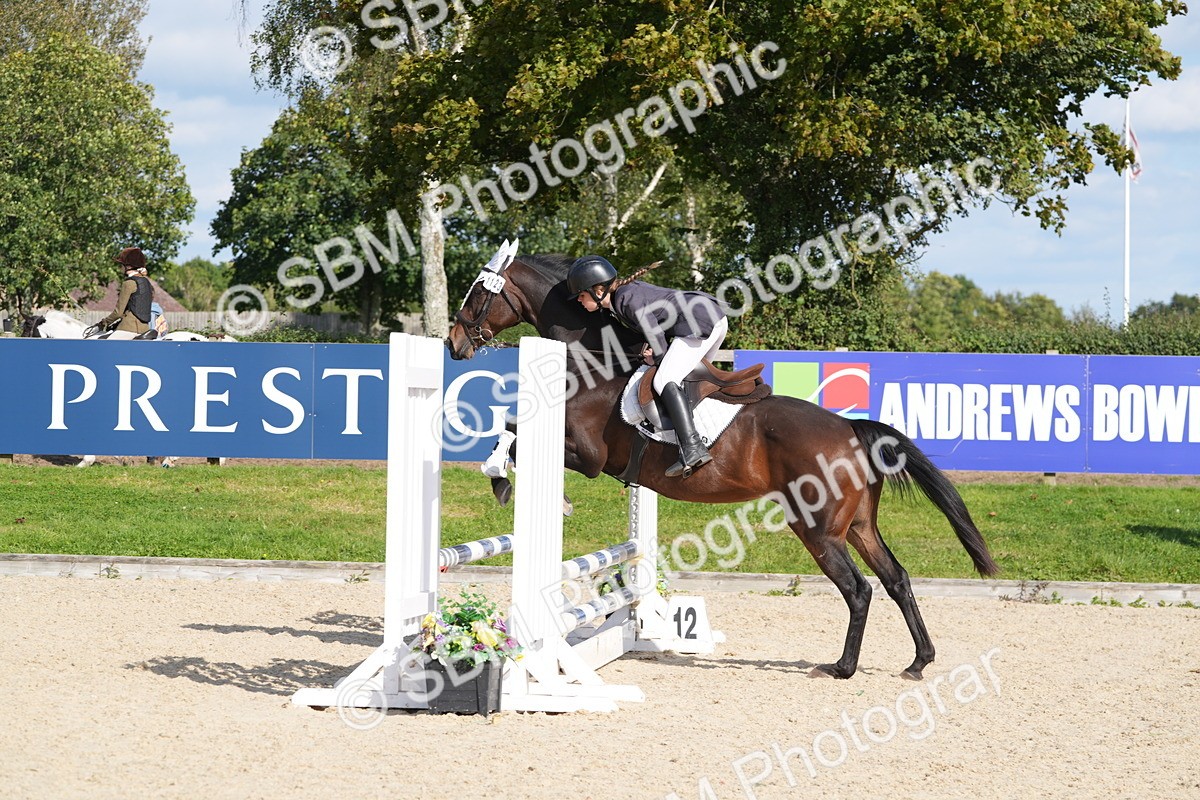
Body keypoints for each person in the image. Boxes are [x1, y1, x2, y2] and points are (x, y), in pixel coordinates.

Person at [566, 255, 728, 478]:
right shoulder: (621, 299)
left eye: (582, 295)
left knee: (664, 379)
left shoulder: (625, 298)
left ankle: (693, 448)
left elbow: (653, 330)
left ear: (598, 289)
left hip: (697, 321)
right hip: (708, 317)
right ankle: (705, 434)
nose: (579, 301)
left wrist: (658, 359)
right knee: (689, 379)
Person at [87, 248, 153, 340]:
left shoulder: (129, 283)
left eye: (121, 265)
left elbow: (118, 313)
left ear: (128, 266)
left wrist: (102, 324)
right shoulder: (147, 283)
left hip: (128, 328)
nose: (120, 268)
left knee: (101, 344)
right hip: (145, 329)